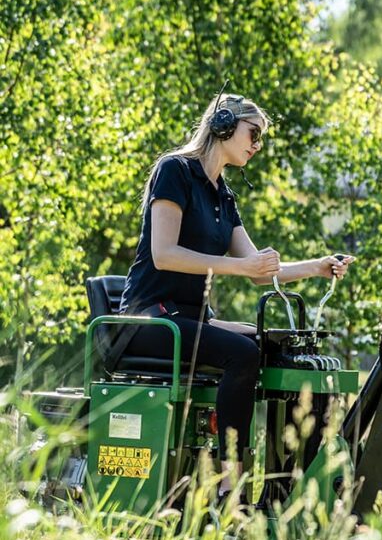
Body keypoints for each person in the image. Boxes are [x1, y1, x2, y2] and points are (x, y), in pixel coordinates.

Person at [119, 92, 353, 500]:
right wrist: (241, 267)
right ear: (223, 124)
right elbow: (164, 254)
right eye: (253, 133)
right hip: (149, 319)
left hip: (191, 320)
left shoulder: (223, 196)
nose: (257, 144)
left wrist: (316, 266)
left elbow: (259, 271)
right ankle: (232, 487)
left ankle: (287, 486)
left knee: (275, 347)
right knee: (241, 354)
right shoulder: (174, 171)